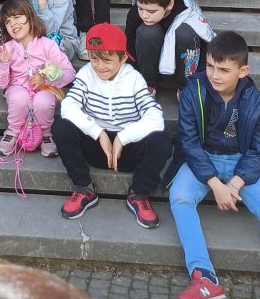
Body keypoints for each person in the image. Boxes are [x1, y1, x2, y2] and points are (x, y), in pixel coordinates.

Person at [167, 32, 260, 299]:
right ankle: (204, 278)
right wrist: (213, 183)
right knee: (180, 197)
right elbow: (188, 141)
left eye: (223, 69)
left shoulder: (256, 101)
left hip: (242, 165)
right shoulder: (193, 91)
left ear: (243, 71)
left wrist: (234, 183)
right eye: (210, 66)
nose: (214, 75)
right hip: (202, 159)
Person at [51, 22, 170, 227]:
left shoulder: (134, 79)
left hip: (128, 149)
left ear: (123, 58)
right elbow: (69, 106)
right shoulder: (86, 74)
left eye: (107, 60)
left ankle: (139, 193)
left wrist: (123, 137)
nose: (99, 66)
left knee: (162, 142)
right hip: (96, 147)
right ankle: (84, 187)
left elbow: (155, 117)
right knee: (61, 127)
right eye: (94, 58)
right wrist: (98, 132)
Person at [0, 0, 76, 158]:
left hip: (44, 88)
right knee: (19, 97)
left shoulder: (48, 44)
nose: (13, 24)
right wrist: (3, 64)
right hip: (17, 88)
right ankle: (13, 131)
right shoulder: (8, 48)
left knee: (44, 100)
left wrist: (46, 79)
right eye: (8, 22)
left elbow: (69, 72)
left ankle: (46, 134)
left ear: (30, 17)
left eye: (17, 17)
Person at [126, 0, 213, 96]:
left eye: (152, 12)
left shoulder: (187, 13)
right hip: (150, 66)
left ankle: (186, 88)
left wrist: (201, 76)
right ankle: (147, 85)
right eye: (140, 8)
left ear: (169, 5)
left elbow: (205, 43)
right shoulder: (135, 13)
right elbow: (129, 47)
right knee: (146, 31)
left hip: (183, 66)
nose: (144, 15)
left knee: (185, 32)